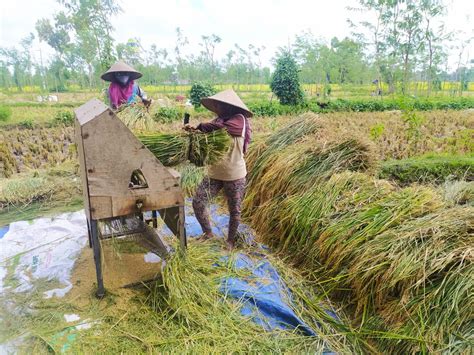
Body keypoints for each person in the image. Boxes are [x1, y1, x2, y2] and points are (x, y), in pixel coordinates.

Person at [185, 89, 252, 249]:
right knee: (198, 202)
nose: (216, 107)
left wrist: (201, 126)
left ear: (228, 106)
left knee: (234, 210)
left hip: (234, 174)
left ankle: (230, 240)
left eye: (218, 105)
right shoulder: (218, 120)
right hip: (215, 173)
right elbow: (209, 133)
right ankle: (208, 233)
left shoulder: (239, 120)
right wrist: (193, 132)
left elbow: (223, 129)